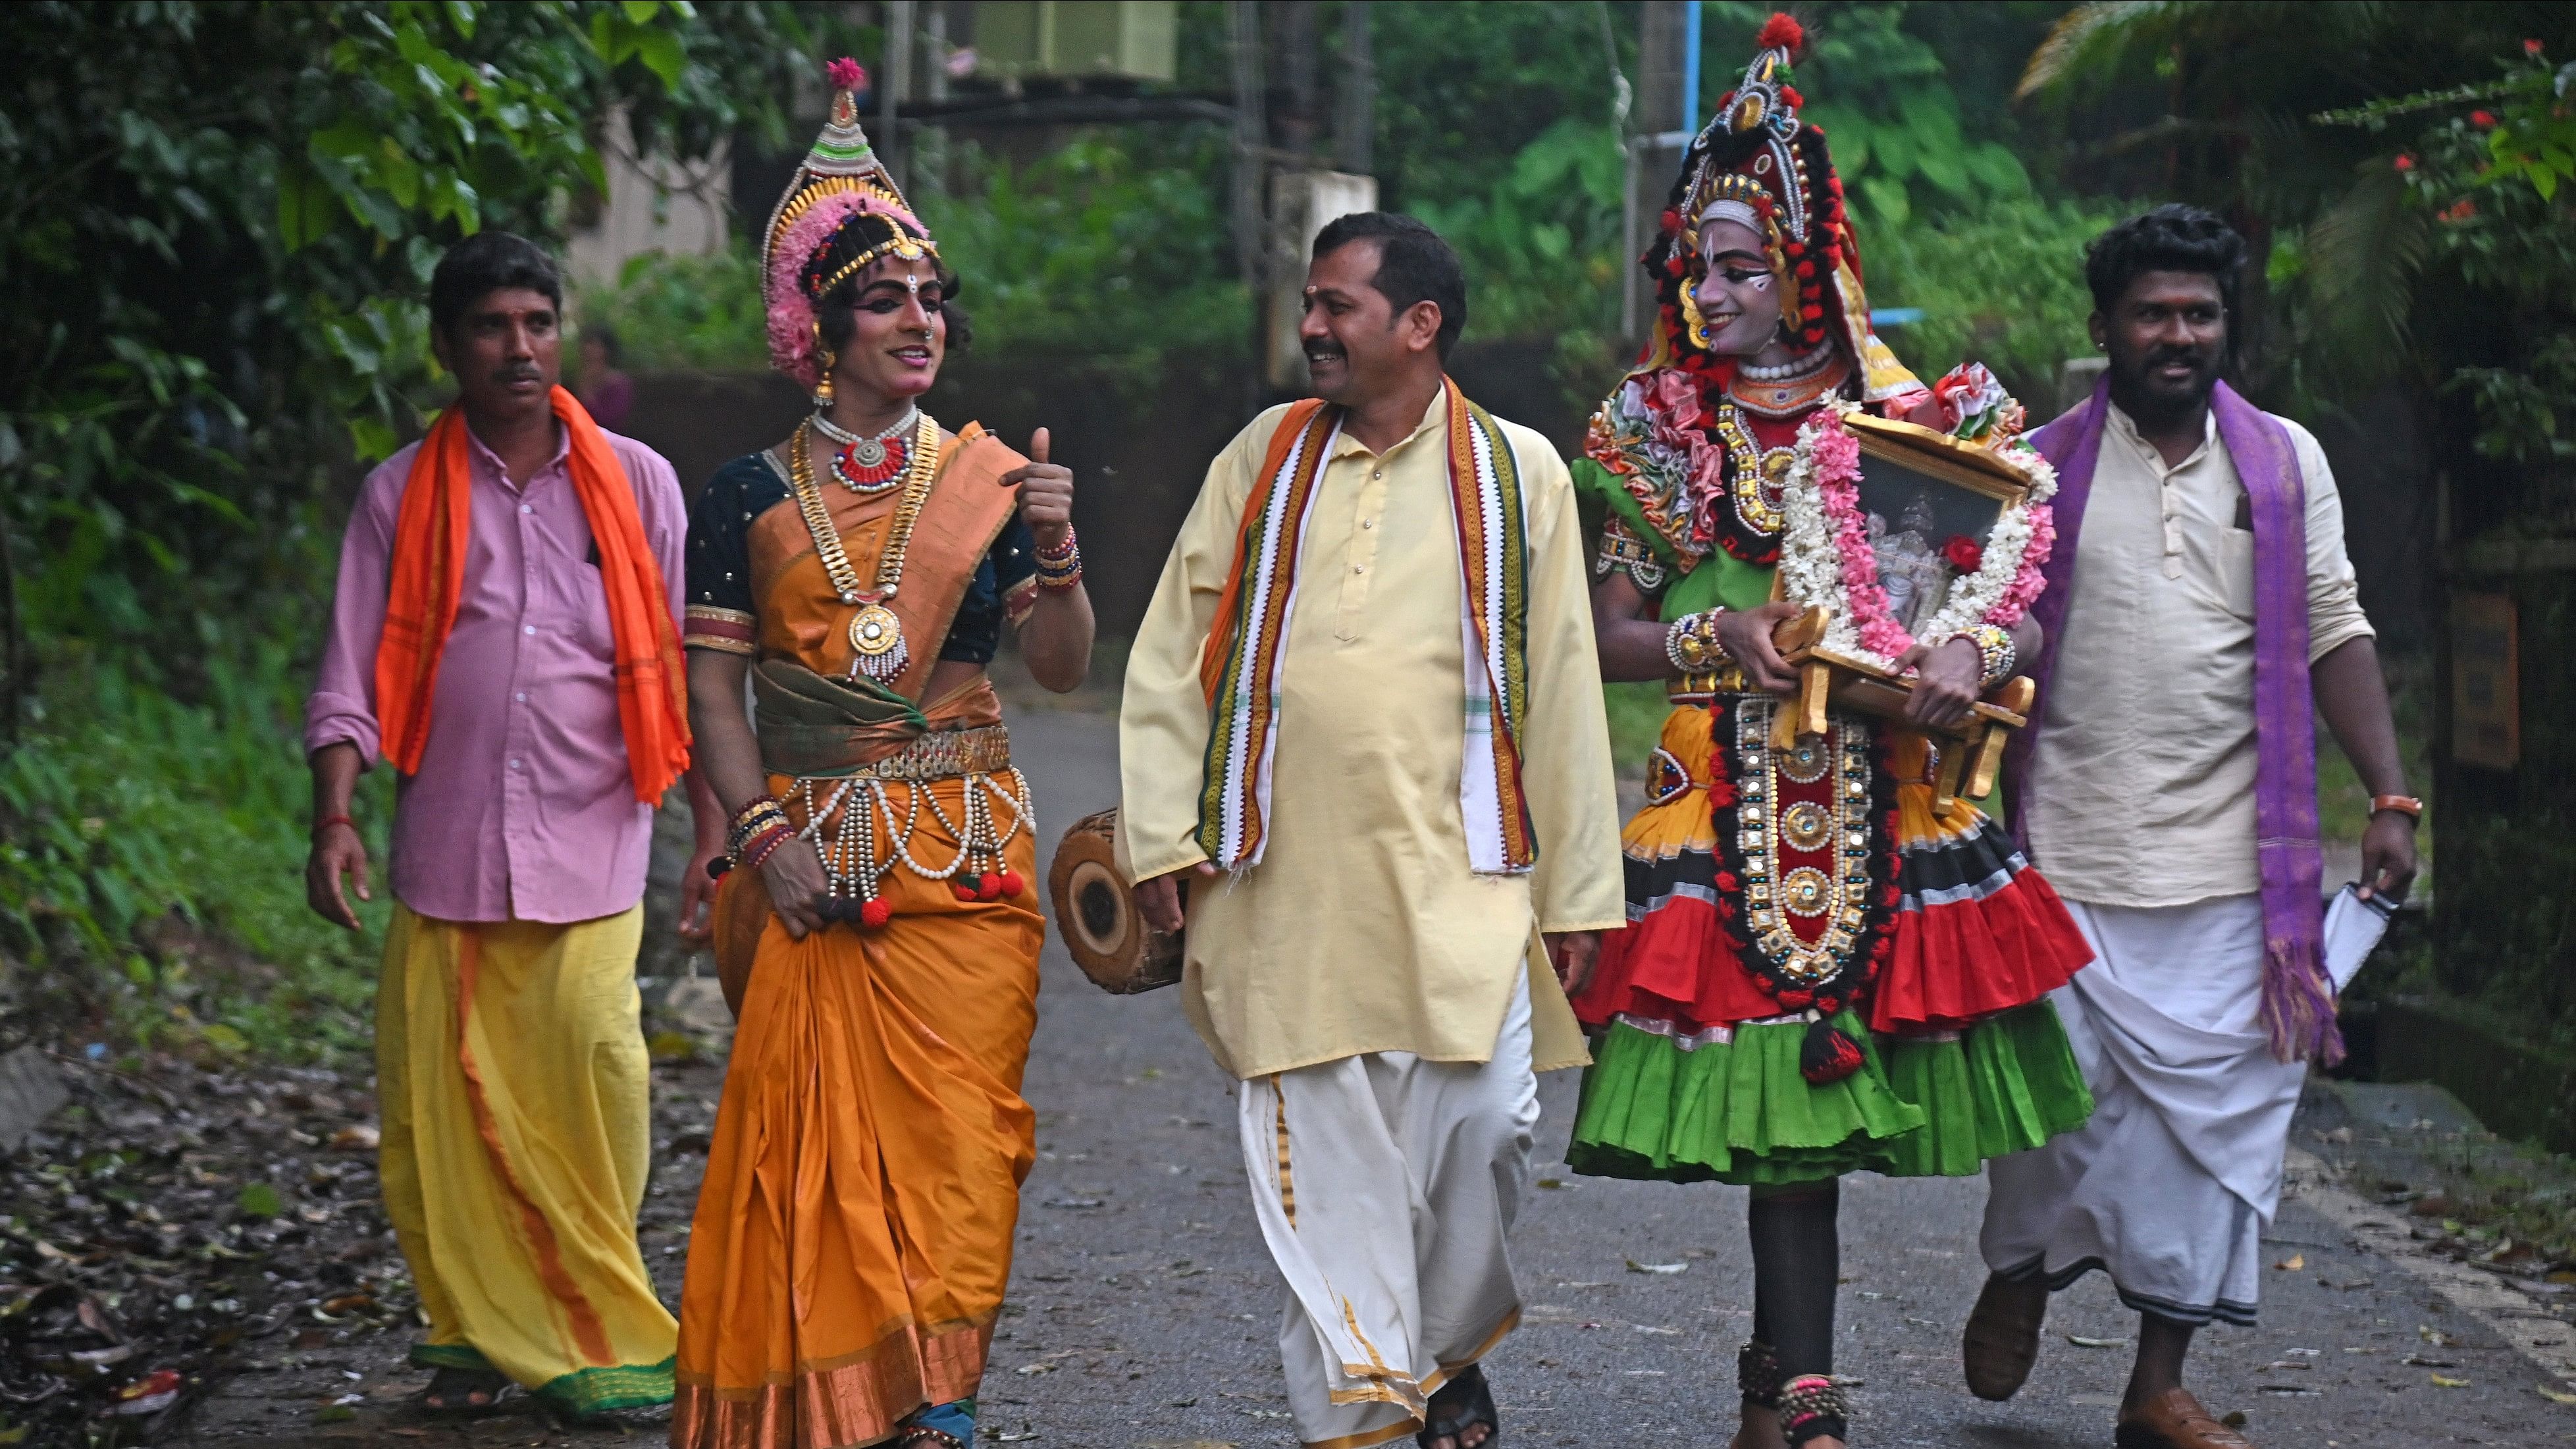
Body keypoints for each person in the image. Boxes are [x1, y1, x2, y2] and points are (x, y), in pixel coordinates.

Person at [1562, 16, 2097, 1448]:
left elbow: (2020, 597)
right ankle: (1800, 1385)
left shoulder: (1927, 419)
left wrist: (1974, 645)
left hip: (1890, 786)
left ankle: (1776, 1383)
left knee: (1837, 1089)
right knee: (1774, 1101)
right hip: (1726, 791)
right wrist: (1709, 634)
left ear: (1802, 270)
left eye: (1739, 264)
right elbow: (1600, 634)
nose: (1710, 288)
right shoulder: (1661, 428)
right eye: (1694, 264)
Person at [1117, 211, 1623, 1449]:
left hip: (1460, 884)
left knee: (1488, 1128)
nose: (1310, 326)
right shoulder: (1262, 457)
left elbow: (1560, 680)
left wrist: (1577, 897)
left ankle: (1441, 1354)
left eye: (1336, 304)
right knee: (1326, 1165)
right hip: (1278, 888)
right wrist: (1157, 838)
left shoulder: (1520, 472)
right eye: (1309, 301)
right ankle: (1366, 1413)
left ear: (1418, 325)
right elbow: (1171, 654)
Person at [668, 57, 1093, 1449]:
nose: (921, 319)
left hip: (963, 856)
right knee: (816, 1160)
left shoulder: (985, 479)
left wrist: (1055, 549)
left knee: (967, 1141)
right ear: (818, 327)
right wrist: (762, 838)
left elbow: (1062, 663)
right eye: (884, 297)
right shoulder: (742, 493)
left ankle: (941, 1398)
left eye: (931, 298)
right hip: (810, 862)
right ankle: (846, 1397)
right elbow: (716, 692)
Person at [1964, 203, 2418, 1449]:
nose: (2177, 334)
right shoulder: (2037, 464)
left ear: (2228, 325)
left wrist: (2385, 796)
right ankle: (2017, 1273)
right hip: (2059, 855)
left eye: (2199, 313)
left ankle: (2154, 1386)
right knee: (2051, 1124)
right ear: (2105, 326)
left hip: (2236, 876)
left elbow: (2334, 624)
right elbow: (2001, 620)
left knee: (2215, 1131)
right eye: (2152, 312)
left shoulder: (2282, 461)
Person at [303, 229, 709, 1421]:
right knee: (448, 1111)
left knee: (599, 1068)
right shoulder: (396, 495)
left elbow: (689, 666)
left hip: (598, 841)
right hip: (449, 852)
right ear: (446, 347)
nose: (518, 348)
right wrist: (334, 814)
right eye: (491, 326)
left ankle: (594, 1324)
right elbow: (347, 674)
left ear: (561, 337)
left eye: (536, 323)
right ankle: (477, 1334)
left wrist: (727, 832)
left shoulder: (637, 482)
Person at [577, 324, 635, 432]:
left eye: (595, 345)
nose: (589, 350)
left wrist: (587, 392)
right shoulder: (578, 378)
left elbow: (609, 420)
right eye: (587, 344)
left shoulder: (619, 384)